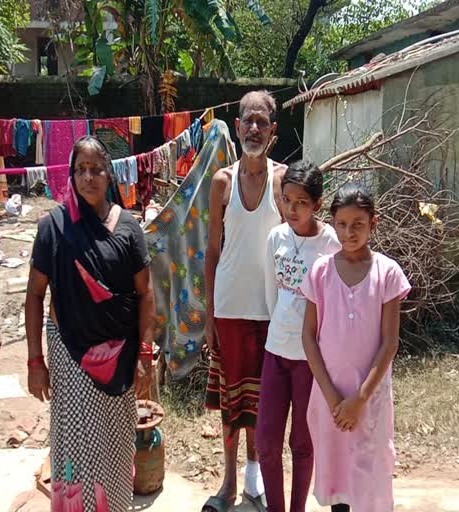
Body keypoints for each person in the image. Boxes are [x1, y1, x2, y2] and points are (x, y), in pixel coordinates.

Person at [24, 135, 155, 512]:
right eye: (80, 169)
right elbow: (34, 295)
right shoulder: (55, 227)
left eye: (96, 168)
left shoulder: (128, 227)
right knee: (78, 445)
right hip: (70, 352)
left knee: (115, 445)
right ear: (71, 175)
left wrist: (145, 353)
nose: (88, 177)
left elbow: (145, 294)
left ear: (109, 173)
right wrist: (36, 362)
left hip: (122, 355)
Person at [300, 185, 411, 512]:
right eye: (342, 224)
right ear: (333, 223)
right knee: (338, 478)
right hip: (329, 397)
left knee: (366, 475)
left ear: (373, 223)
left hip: (369, 398)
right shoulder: (320, 272)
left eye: (358, 224)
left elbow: (390, 342)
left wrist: (360, 399)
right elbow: (308, 336)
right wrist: (335, 398)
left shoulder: (387, 272)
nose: (349, 232)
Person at [203, 90, 286, 512]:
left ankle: (257, 482)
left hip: (273, 312)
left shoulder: (282, 181)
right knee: (231, 402)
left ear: (273, 130)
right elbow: (213, 252)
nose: (254, 129)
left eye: (262, 122)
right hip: (230, 309)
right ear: (237, 127)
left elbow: (299, 245)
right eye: (247, 121)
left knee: (263, 403)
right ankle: (229, 485)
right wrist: (208, 317)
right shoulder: (221, 181)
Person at [257, 162, 341, 512]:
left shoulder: (331, 244)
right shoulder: (275, 238)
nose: (292, 209)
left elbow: (335, 304)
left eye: (301, 202)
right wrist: (282, 328)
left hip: (310, 360)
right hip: (276, 352)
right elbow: (270, 294)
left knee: (302, 443)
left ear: (317, 204)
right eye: (287, 200)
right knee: (266, 443)